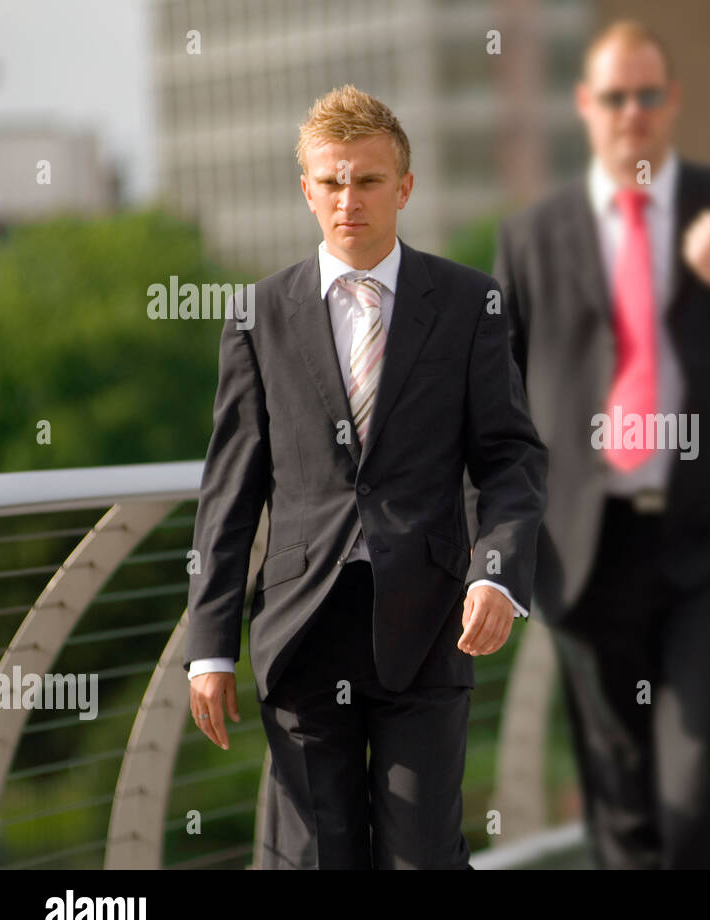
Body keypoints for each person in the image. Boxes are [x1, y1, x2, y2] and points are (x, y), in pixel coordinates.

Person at [183, 85, 547, 869]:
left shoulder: (468, 302)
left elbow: (510, 459)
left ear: (404, 188)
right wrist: (209, 647)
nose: (351, 199)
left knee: (422, 854)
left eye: (370, 180)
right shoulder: (257, 316)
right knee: (319, 858)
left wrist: (498, 573)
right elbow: (231, 493)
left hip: (427, 625)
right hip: (301, 633)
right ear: (307, 190)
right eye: (333, 181)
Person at [485, 20, 710, 868]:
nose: (633, 113)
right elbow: (497, 404)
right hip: (587, 549)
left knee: (699, 789)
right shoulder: (531, 237)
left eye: (648, 95)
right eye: (614, 97)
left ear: (673, 102)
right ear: (585, 106)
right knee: (622, 812)